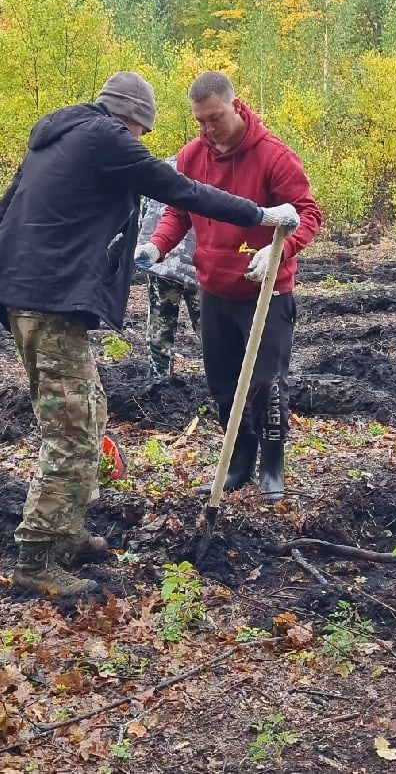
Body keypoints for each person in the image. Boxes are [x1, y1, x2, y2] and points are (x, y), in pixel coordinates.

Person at [0, 71, 300, 597]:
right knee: (74, 432)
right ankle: (37, 556)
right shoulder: (105, 138)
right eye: (141, 132)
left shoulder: (59, 135)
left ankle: (68, 529)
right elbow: (181, 193)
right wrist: (260, 215)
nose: (141, 142)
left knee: (91, 409)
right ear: (130, 119)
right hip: (49, 304)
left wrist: (37, 268)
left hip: (34, 299)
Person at [136, 72, 322, 501]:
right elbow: (178, 214)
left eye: (215, 119)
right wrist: (155, 247)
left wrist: (278, 251)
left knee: (266, 384)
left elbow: (308, 214)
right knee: (223, 384)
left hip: (266, 294)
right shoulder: (190, 157)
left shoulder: (274, 157)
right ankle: (238, 464)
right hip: (215, 291)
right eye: (199, 121)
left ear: (236, 107)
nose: (207, 130)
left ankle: (271, 468)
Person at [137, 181, 201, 381]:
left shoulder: (163, 170)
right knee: (209, 329)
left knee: (160, 328)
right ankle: (224, 385)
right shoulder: (212, 168)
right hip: (197, 264)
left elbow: (144, 214)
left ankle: (158, 381)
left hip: (162, 261)